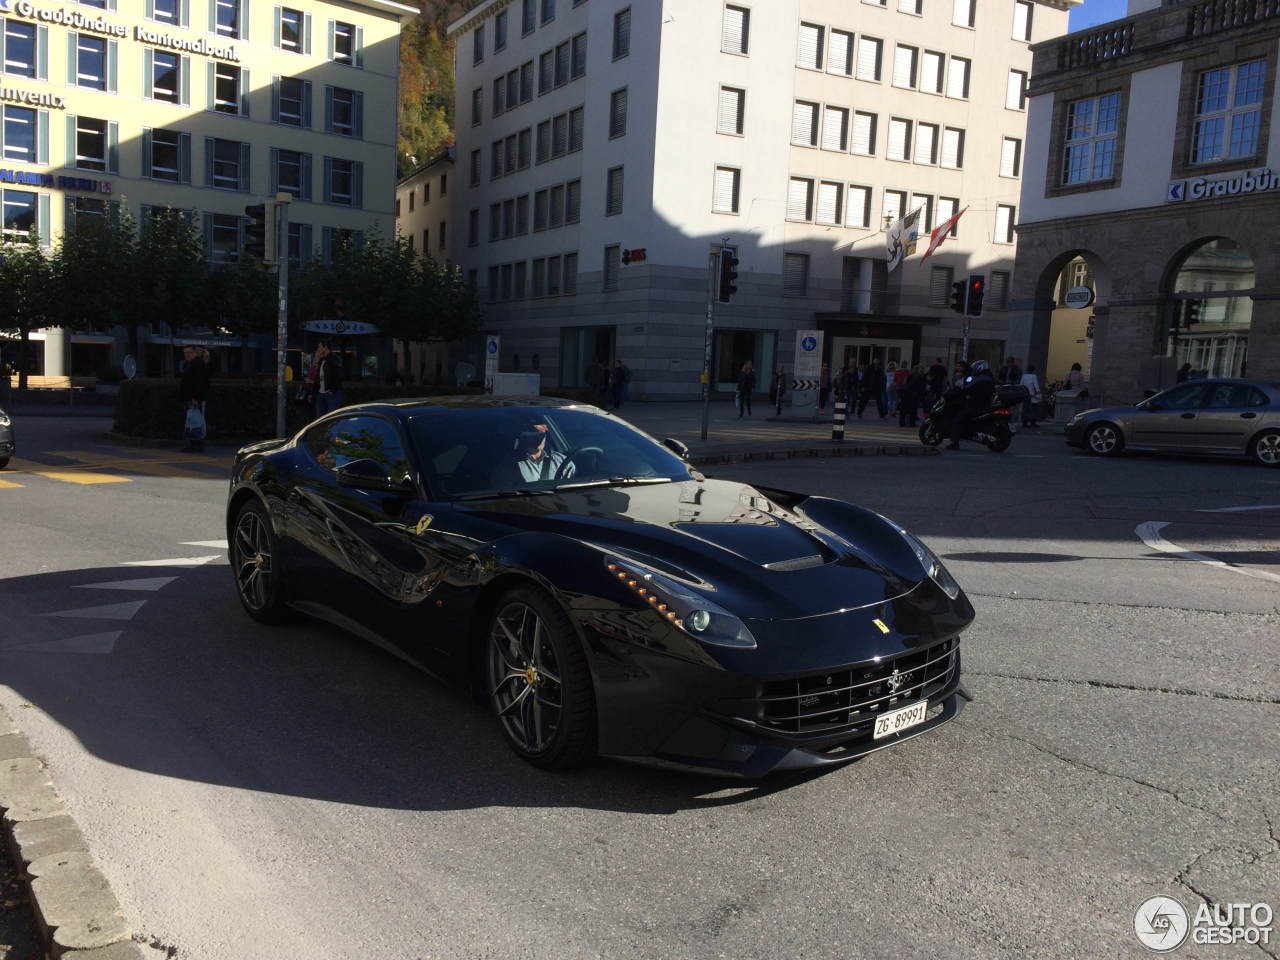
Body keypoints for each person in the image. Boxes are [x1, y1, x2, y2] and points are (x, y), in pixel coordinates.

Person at [946, 359, 996, 450]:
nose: (974, 370)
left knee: (958, 420)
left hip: (975, 403)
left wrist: (957, 393)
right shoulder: (989, 378)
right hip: (985, 403)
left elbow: (968, 389)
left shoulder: (979, 378)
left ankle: (955, 443)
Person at [179, 345, 209, 453]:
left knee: (196, 420)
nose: (187, 354)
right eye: (185, 352)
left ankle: (197, 443)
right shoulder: (190, 364)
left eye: (189, 352)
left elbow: (201, 382)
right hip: (190, 397)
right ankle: (194, 443)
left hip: (195, 398)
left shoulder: (198, 365)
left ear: (195, 352)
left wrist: (196, 397)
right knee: (193, 420)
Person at [315, 338, 344, 415]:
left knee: (332, 415)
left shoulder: (334, 358)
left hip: (330, 392)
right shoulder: (322, 360)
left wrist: (333, 390)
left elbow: (338, 375)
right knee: (320, 416)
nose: (318, 349)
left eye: (320, 346)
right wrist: (313, 391)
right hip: (322, 391)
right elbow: (318, 377)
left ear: (326, 347)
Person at [1020, 363, 1042, 428]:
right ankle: (1032, 422)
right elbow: (1036, 385)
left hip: (1025, 394)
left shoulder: (1024, 376)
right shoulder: (1034, 376)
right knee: (1033, 408)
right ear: (1033, 370)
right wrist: (1039, 393)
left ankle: (1024, 423)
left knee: (1025, 409)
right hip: (1032, 394)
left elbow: (1021, 384)